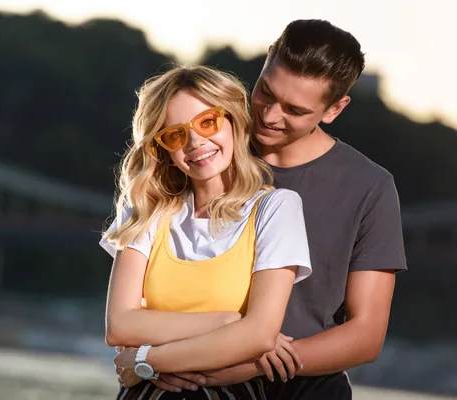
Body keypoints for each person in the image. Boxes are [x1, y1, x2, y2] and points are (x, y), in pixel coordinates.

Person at [116, 19, 408, 399]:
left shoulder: (369, 187)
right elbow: (148, 279)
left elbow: (366, 335)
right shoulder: (205, 149)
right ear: (268, 58)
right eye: (266, 92)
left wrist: (248, 362)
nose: (270, 115)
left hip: (301, 388)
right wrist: (142, 355)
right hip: (183, 378)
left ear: (334, 108)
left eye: (294, 110)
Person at [100, 65, 313, 399]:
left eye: (207, 122)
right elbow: (120, 326)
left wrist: (146, 360)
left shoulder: (276, 209)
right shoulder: (146, 210)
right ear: (164, 150)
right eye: (175, 134)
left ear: (233, 122)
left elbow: (258, 335)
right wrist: (227, 323)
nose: (195, 141)